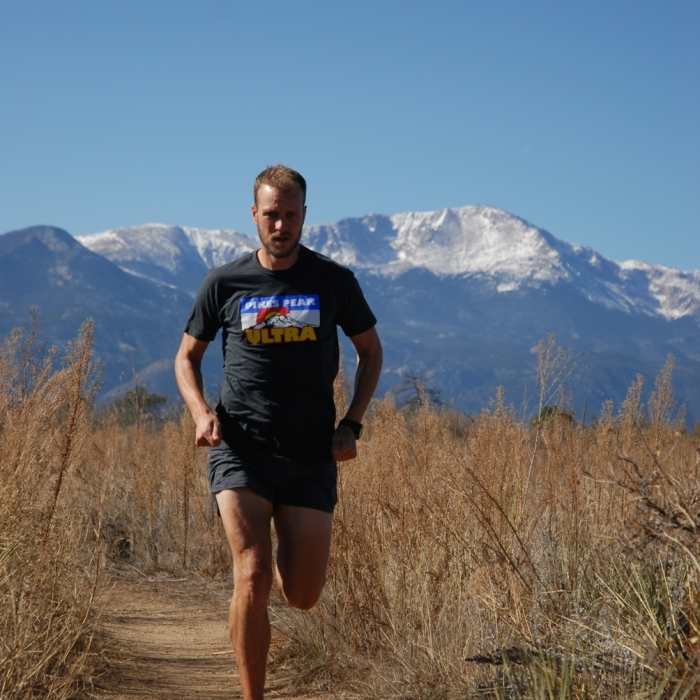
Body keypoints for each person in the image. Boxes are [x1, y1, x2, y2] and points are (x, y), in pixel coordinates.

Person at [174, 164, 382, 700]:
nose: (281, 225)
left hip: (312, 453)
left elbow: (370, 352)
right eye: (272, 214)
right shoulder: (225, 283)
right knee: (252, 573)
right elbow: (185, 359)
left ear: (304, 217)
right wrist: (201, 413)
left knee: (304, 594)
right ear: (254, 215)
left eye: (291, 215)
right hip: (240, 447)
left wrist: (352, 423)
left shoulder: (333, 281)